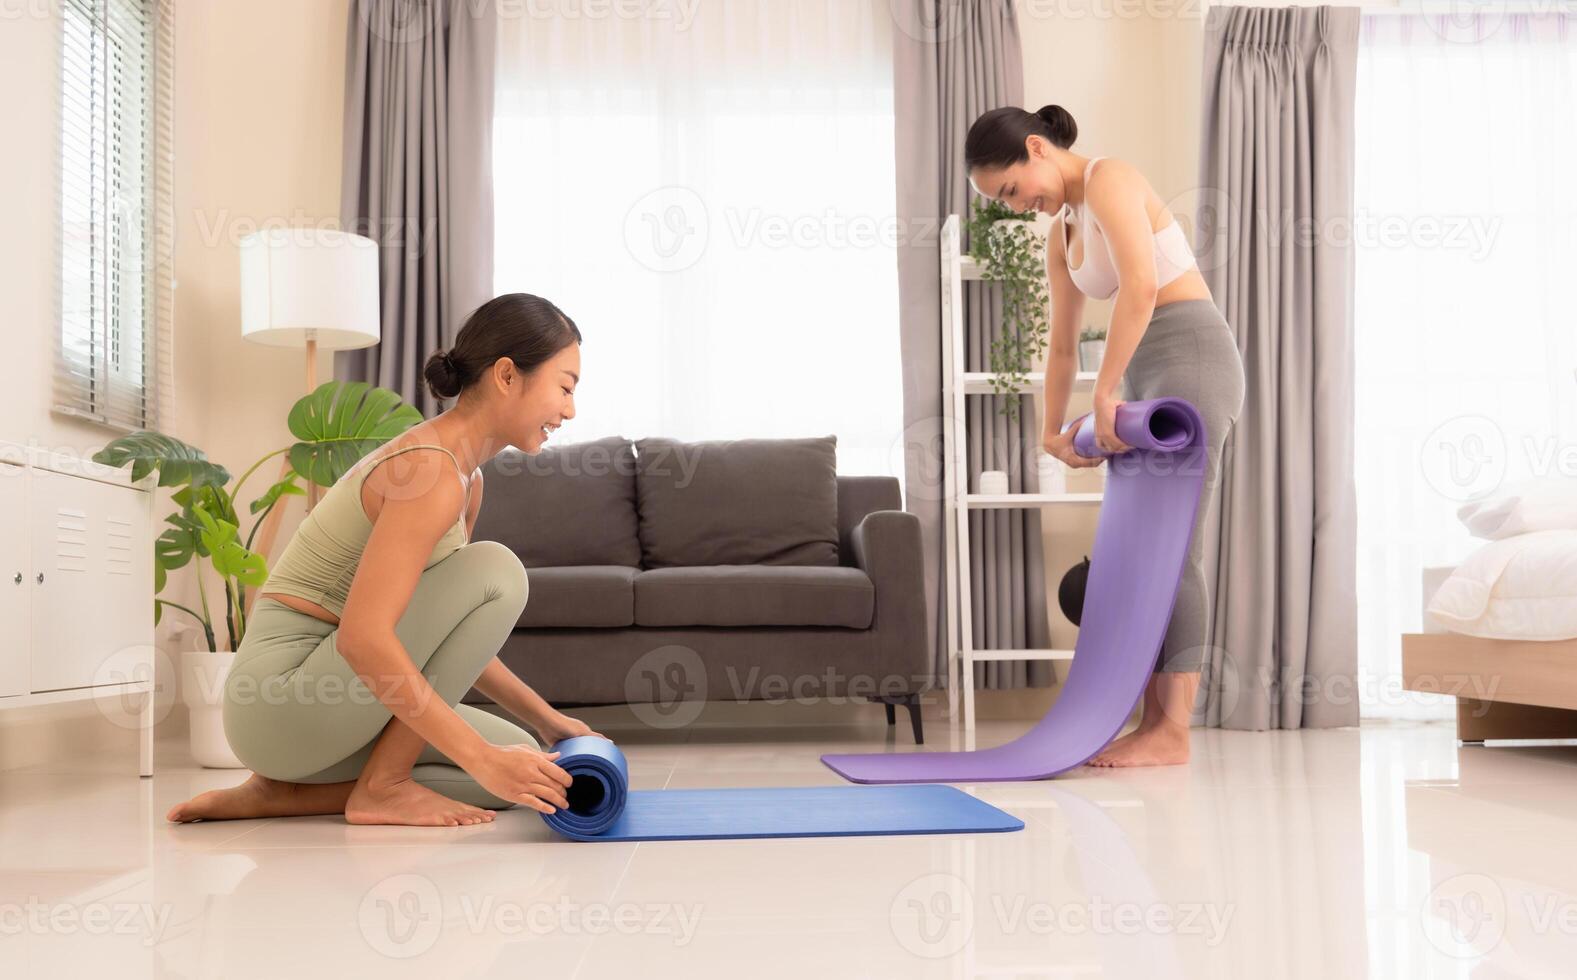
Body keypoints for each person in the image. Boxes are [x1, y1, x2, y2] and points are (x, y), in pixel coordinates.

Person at [168, 293, 602, 825]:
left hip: (332, 705)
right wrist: (480, 756)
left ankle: (283, 795)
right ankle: (383, 784)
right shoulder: (428, 472)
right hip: (281, 701)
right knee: (499, 573)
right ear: (507, 375)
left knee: (529, 768)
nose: (569, 410)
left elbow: (447, 636)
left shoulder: (466, 483)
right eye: (564, 387)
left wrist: (548, 722)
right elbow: (362, 639)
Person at [963, 104, 1247, 767]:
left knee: (1176, 549)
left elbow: (1142, 288)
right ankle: (1149, 723)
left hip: (1190, 354)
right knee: (1140, 553)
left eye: (1010, 189)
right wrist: (1051, 429)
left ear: (1037, 148)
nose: (1017, 206)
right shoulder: (1060, 232)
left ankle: (1169, 731)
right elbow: (1061, 345)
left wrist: (1107, 391)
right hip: (1139, 373)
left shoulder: (1110, 178)